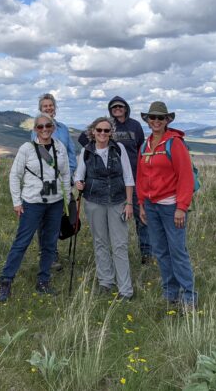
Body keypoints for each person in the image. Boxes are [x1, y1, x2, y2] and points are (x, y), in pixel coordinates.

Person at [0, 113, 71, 302]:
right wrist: (17, 202)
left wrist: (66, 199)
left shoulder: (60, 148)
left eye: (48, 126)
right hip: (32, 203)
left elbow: (65, 174)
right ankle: (6, 280)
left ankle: (43, 281)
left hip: (54, 203)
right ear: (35, 129)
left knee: (49, 244)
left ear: (53, 127)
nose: (45, 129)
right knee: (22, 242)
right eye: (40, 127)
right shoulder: (27, 149)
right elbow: (14, 175)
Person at [136, 101, 198, 309]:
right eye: (152, 118)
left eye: (160, 118)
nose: (155, 121)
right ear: (147, 120)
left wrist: (181, 207)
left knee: (177, 251)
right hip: (151, 207)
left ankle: (189, 297)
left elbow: (186, 177)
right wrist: (142, 204)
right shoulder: (145, 146)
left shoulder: (175, 143)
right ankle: (171, 294)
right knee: (161, 251)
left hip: (171, 207)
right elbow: (141, 177)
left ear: (167, 120)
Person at [79, 96, 149, 263]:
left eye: (121, 106)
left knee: (141, 215)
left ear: (126, 108)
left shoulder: (135, 126)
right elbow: (84, 140)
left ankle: (146, 252)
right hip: (109, 183)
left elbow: (141, 148)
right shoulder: (104, 126)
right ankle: (110, 254)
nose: (117, 108)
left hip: (132, 178)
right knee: (112, 220)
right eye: (114, 106)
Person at [75, 116, 135, 299]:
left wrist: (129, 203)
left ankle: (125, 290)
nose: (102, 133)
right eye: (99, 130)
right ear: (92, 132)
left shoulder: (119, 149)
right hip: (94, 202)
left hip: (117, 201)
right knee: (100, 242)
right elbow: (78, 175)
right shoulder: (86, 151)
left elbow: (128, 177)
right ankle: (105, 282)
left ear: (111, 133)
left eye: (106, 130)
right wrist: (78, 182)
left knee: (120, 245)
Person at [31, 93, 77, 270]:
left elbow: (71, 154)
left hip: (62, 180)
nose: (49, 108)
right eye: (45, 106)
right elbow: (34, 155)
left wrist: (70, 175)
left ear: (55, 108)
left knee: (57, 217)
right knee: (44, 219)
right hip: (44, 181)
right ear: (40, 109)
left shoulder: (64, 129)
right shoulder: (36, 129)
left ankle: (52, 251)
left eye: (51, 105)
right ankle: (48, 254)